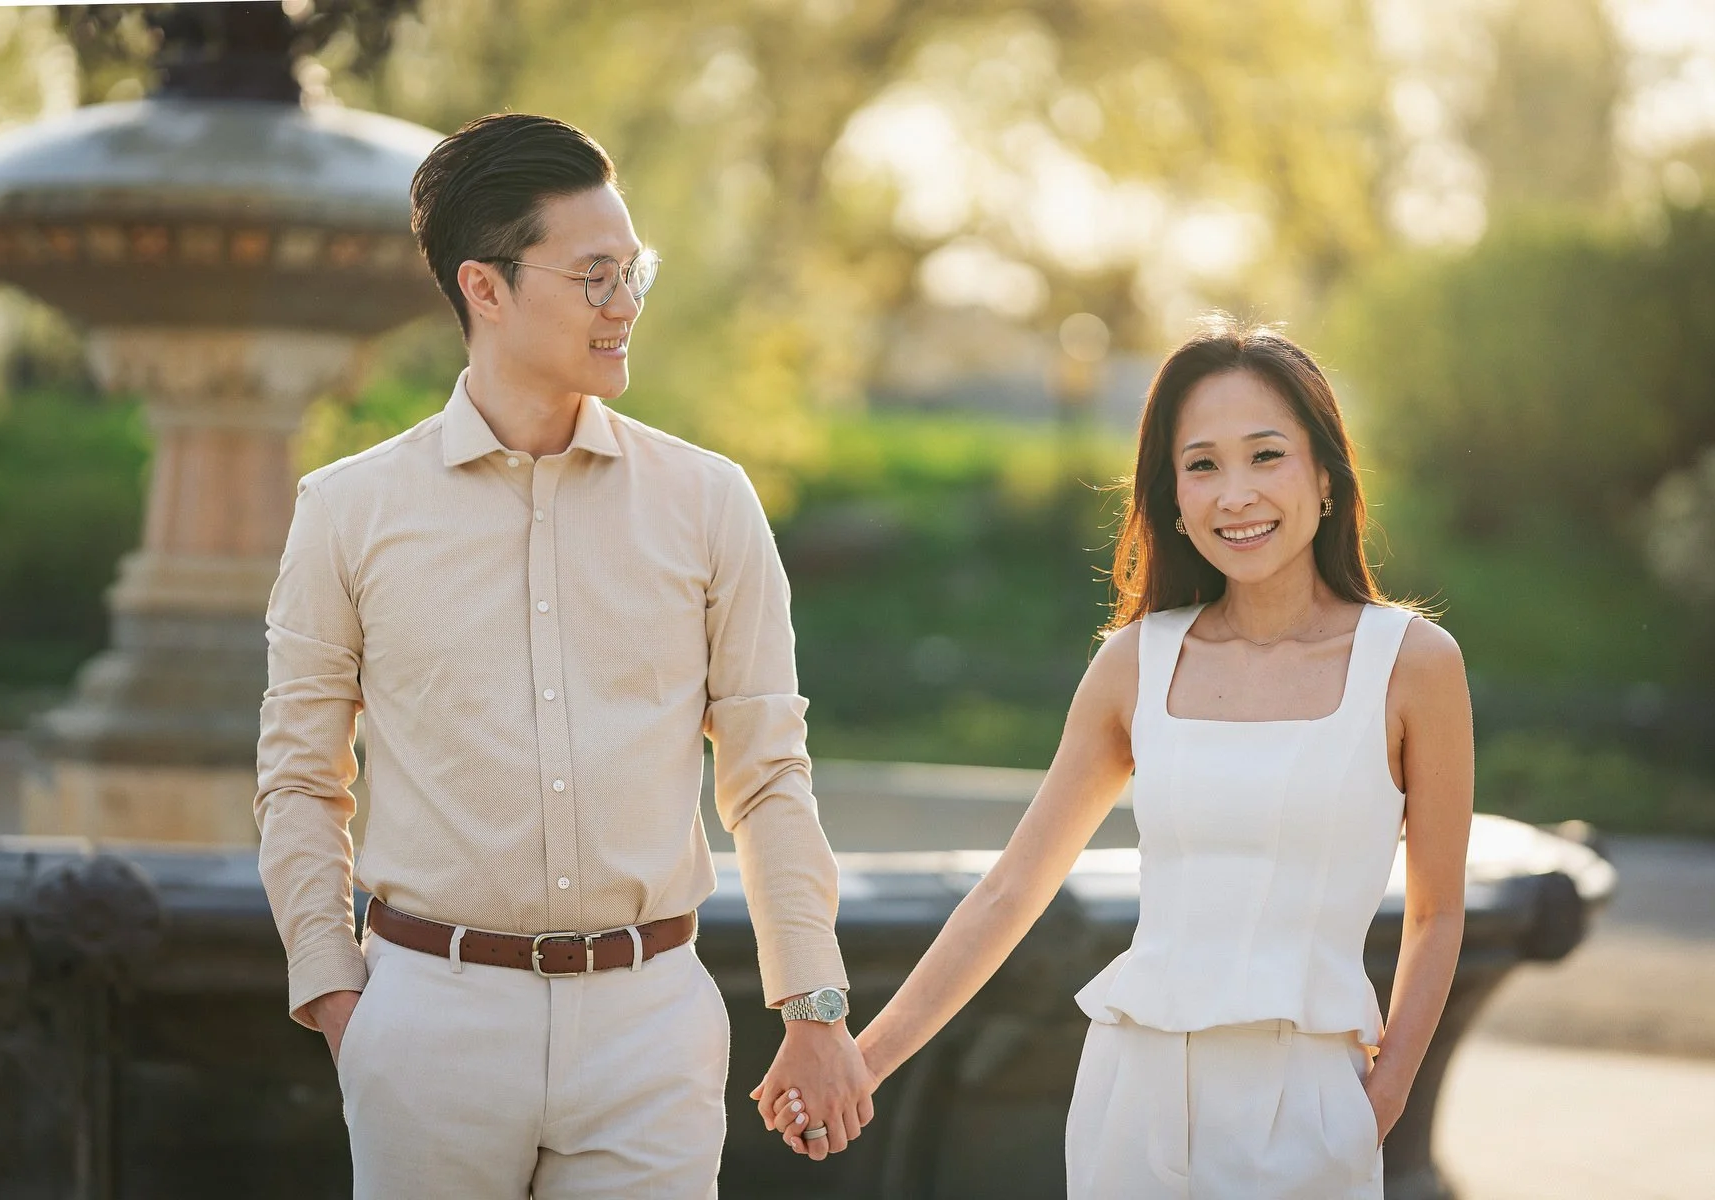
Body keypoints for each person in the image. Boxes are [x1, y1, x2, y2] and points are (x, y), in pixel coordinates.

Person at [256, 113, 871, 1199]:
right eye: (593, 276)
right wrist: (339, 998)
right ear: (483, 287)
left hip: (650, 1027)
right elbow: (302, 780)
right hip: (430, 1026)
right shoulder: (347, 511)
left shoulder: (710, 503)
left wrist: (813, 1006)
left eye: (633, 271)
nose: (624, 304)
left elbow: (770, 772)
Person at [761, 319, 1475, 1197]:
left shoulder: (1412, 664)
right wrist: (861, 1064)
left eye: (1266, 456)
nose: (1236, 494)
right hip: (1132, 1100)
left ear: (1326, 474)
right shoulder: (1135, 663)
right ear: (1171, 495)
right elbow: (1011, 891)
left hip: (1311, 1106)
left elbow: (1438, 912)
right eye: (1202, 465)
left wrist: (1382, 1102)